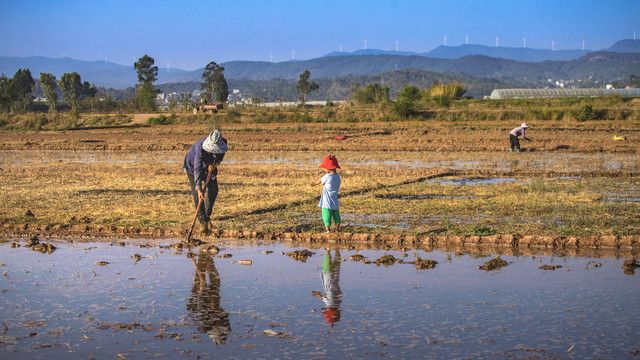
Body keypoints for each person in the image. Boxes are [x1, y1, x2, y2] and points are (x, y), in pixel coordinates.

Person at [184, 130, 228, 234]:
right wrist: (199, 188)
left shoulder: (223, 142)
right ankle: (203, 221)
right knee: (197, 195)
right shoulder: (200, 147)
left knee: (213, 190)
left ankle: (207, 216)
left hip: (210, 168)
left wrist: (216, 164)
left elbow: (221, 155)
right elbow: (197, 168)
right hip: (193, 168)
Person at [310, 155, 341, 233]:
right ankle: (337, 229)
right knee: (336, 214)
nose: (324, 169)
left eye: (324, 168)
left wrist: (314, 183)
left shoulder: (327, 176)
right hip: (334, 198)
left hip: (327, 200)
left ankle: (327, 229)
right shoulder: (337, 177)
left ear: (329, 168)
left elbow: (320, 180)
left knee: (326, 214)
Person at [312, 249, 342, 327]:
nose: (326, 308)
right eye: (326, 309)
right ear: (330, 309)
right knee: (326, 265)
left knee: (337, 264)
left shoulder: (339, 302)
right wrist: (318, 295)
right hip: (328, 279)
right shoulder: (329, 303)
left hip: (336, 279)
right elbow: (323, 298)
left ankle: (337, 250)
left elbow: (340, 293)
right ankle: (328, 249)